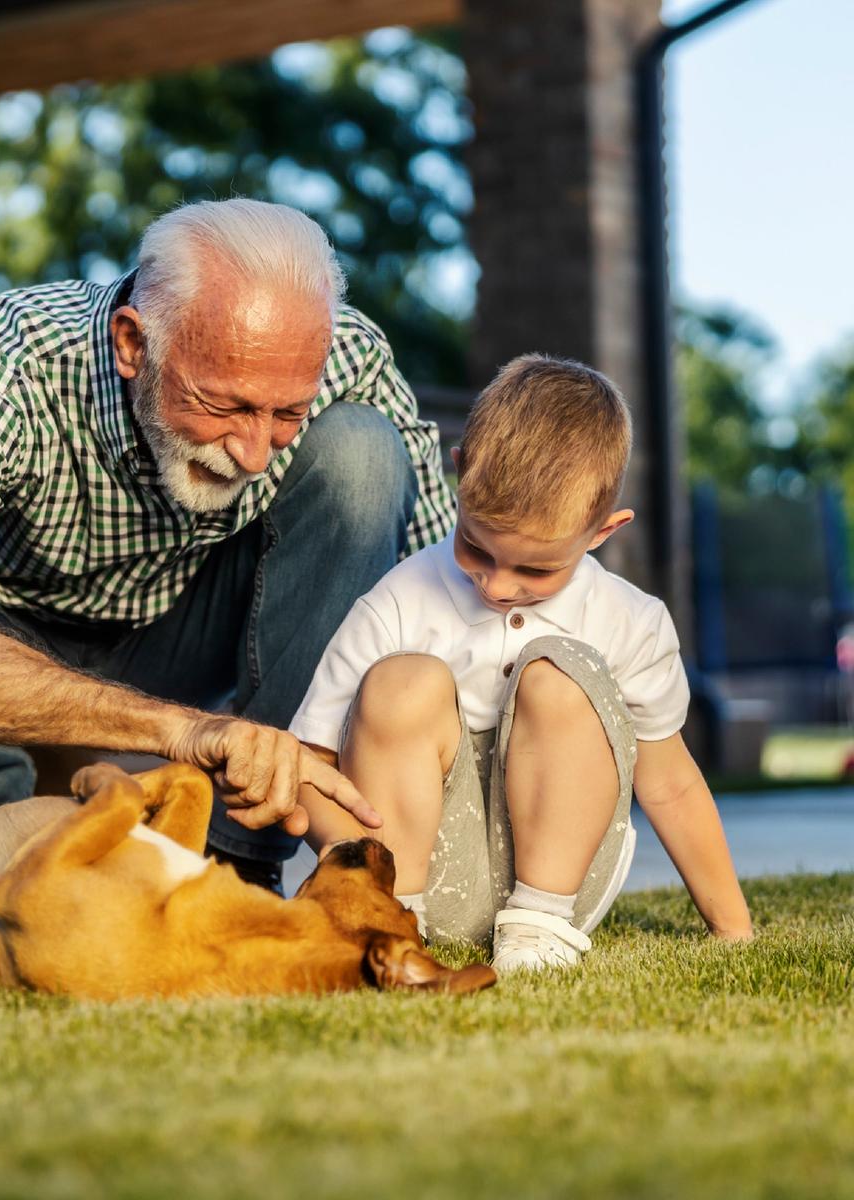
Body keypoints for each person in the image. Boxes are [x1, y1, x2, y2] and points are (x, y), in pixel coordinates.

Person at [0, 198, 458, 892]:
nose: (258, 453)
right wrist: (179, 731)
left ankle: (234, 861)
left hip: (193, 635)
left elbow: (443, 596)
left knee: (363, 456)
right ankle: (5, 835)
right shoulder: (6, 361)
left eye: (286, 412)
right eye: (225, 405)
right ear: (132, 344)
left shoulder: (348, 355)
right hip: (6, 635)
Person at [289, 353, 753, 970]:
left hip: (557, 887)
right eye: (475, 548)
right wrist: (353, 874)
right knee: (403, 680)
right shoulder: (399, 600)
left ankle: (536, 932)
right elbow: (312, 761)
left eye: (536, 569)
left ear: (601, 532)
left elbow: (669, 784)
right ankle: (397, 917)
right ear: (459, 476)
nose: (498, 586)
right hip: (416, 873)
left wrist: (734, 929)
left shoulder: (630, 621)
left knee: (561, 672)